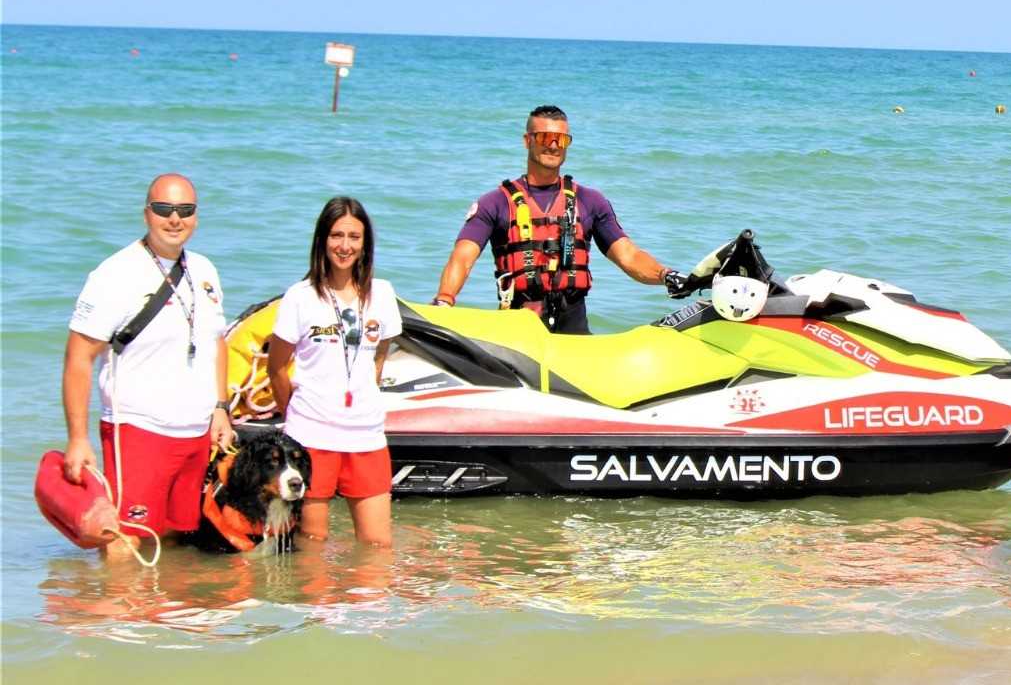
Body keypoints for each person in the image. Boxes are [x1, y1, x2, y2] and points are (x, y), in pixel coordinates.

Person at [61, 174, 235, 554]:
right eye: (163, 208)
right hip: (137, 430)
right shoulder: (115, 273)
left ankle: (163, 595)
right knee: (125, 542)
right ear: (146, 214)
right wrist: (77, 439)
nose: (174, 219)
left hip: (195, 433)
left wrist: (220, 408)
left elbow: (216, 343)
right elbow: (79, 356)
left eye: (184, 210)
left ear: (196, 217)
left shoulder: (204, 270)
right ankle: (122, 596)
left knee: (174, 539)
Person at [432, 105, 680, 334]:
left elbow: (629, 256)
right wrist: (444, 300)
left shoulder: (590, 201)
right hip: (517, 329)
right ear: (527, 140)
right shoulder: (495, 202)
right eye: (544, 137)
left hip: (573, 332)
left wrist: (666, 275)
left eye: (560, 139)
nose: (553, 145)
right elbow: (462, 259)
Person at [268, 197, 401, 547]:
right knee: (312, 544)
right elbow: (276, 366)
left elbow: (379, 357)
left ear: (365, 243)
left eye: (354, 237)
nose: (345, 246)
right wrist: (295, 413)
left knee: (377, 547)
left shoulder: (382, 294)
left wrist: (361, 398)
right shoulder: (300, 297)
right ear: (322, 240)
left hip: (367, 436)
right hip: (311, 436)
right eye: (337, 235)